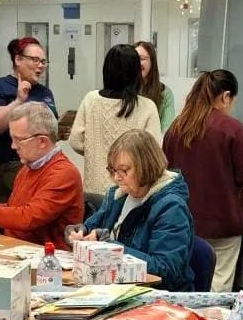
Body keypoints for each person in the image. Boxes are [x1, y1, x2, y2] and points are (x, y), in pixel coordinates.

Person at [164, 70, 243, 291]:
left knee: (186, 284)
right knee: (218, 288)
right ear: (225, 96)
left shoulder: (176, 127)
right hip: (223, 223)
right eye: (232, 100)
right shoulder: (232, 129)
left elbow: (165, 171)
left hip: (182, 221)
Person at [0, 102, 83, 249]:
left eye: (19, 140)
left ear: (42, 141)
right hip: (17, 249)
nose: (13, 146)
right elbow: (15, 208)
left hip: (48, 261)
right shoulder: (27, 167)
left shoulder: (64, 174)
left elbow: (28, 218)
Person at [69, 129, 194, 291]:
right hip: (114, 288)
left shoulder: (170, 207)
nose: (116, 178)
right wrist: (79, 232)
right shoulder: (117, 195)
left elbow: (165, 270)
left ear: (146, 167)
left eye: (124, 171)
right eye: (113, 170)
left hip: (156, 296)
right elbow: (92, 229)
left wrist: (109, 247)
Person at [70, 44, 161, 195]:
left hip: (94, 191)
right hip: (130, 192)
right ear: (136, 73)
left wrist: (96, 151)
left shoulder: (91, 99)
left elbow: (75, 141)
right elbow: (154, 151)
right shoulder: (147, 106)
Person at [0, 37, 57, 204]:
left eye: (43, 61)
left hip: (43, 166)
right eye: (35, 60)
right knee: (14, 219)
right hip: (9, 164)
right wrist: (18, 100)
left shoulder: (45, 92)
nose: (40, 65)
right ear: (18, 59)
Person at [136, 40, 175, 134]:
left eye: (142, 59)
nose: (137, 63)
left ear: (152, 62)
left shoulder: (165, 93)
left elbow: (166, 131)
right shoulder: (122, 90)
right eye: (134, 59)